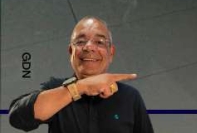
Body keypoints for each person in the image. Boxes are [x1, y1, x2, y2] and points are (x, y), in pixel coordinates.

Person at [8, 17, 153, 132]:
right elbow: (17, 117)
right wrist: (80, 87)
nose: (89, 47)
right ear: (71, 52)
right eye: (80, 41)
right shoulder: (55, 89)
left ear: (111, 53)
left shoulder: (130, 96)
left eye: (100, 42)